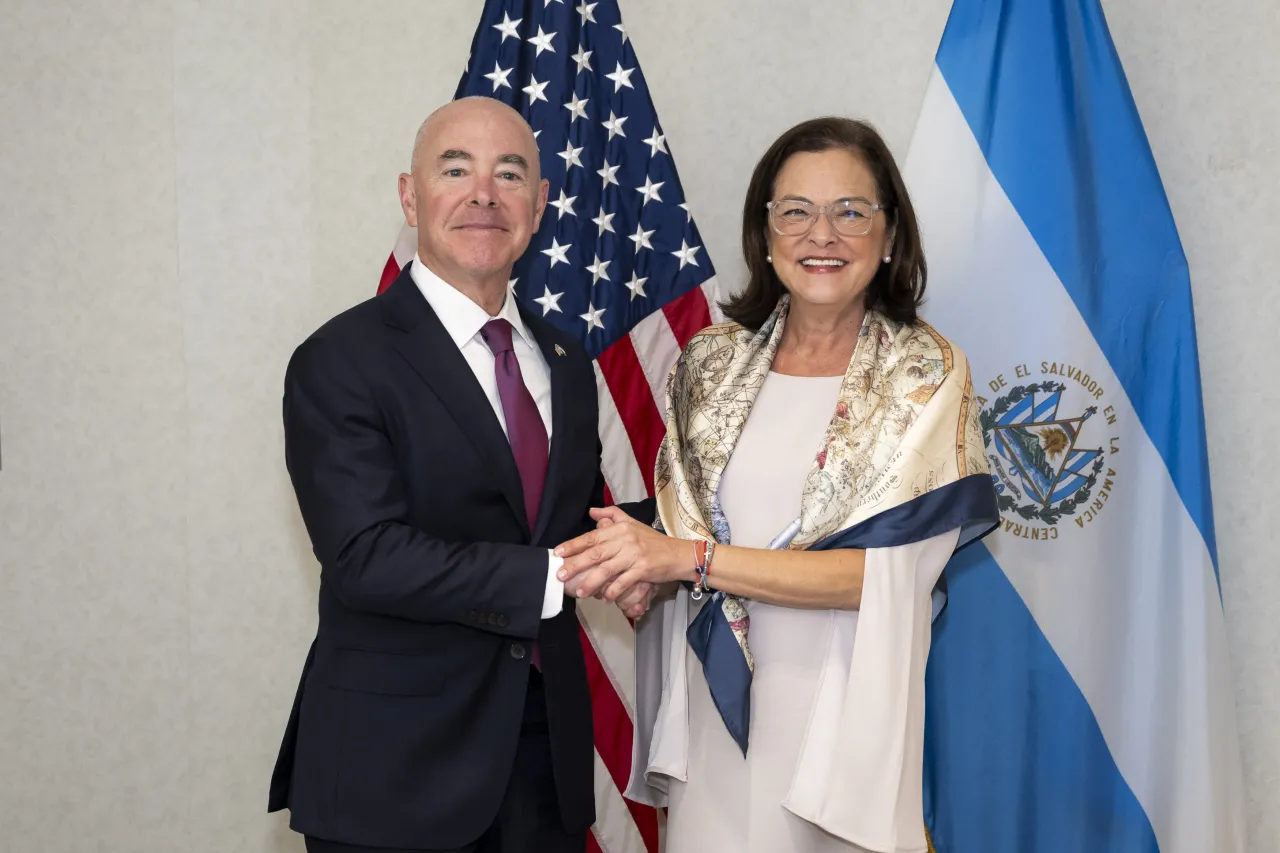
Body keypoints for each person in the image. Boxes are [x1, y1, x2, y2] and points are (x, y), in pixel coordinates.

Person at [554, 117, 1000, 853]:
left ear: (890, 236)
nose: (821, 234)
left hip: (845, 720)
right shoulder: (709, 362)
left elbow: (877, 577)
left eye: (851, 211)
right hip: (714, 717)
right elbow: (679, 524)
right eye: (795, 211)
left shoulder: (926, 374)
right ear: (764, 235)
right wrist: (646, 574)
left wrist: (686, 562)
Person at [267, 96, 653, 853]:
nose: (484, 194)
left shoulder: (568, 361)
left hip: (546, 762)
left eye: (509, 173)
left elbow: (563, 526)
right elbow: (366, 556)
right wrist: (557, 573)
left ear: (539, 206)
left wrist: (662, 544)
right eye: (455, 169)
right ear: (410, 198)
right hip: (395, 770)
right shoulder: (340, 360)